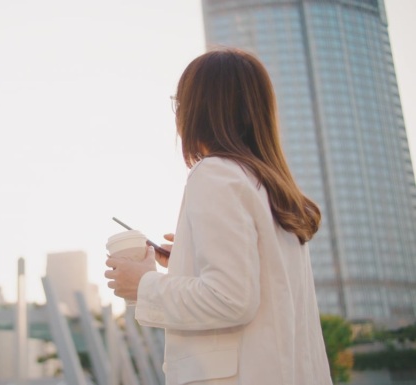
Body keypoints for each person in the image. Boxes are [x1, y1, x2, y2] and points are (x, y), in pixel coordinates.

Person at [104, 48, 333, 385]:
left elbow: (231, 298)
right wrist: (188, 258)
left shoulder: (214, 174)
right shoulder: (270, 188)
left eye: (179, 102)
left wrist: (144, 284)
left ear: (198, 109)